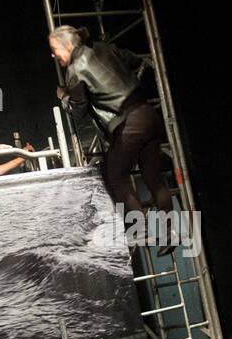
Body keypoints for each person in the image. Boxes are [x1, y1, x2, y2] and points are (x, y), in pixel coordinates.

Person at [47, 26, 175, 252]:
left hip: (129, 124)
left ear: (68, 45)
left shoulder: (75, 70)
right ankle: (172, 234)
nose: (53, 55)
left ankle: (142, 232)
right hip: (148, 114)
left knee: (117, 178)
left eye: (55, 49)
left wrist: (63, 96)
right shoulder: (105, 48)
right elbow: (134, 60)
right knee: (154, 178)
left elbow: (79, 111)